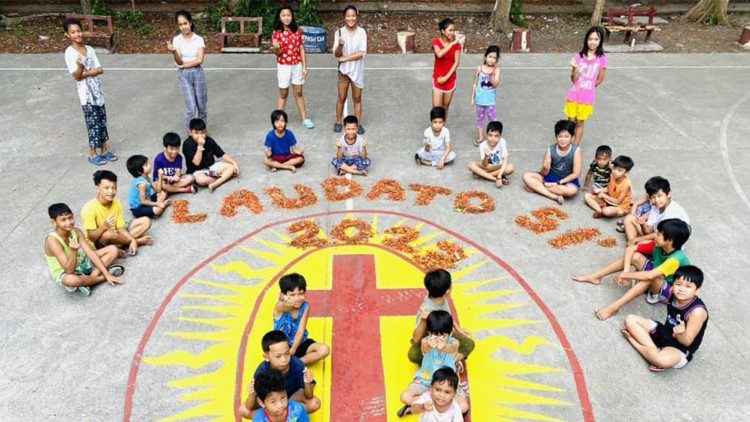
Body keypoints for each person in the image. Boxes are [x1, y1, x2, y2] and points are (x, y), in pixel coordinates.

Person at [572, 218, 691, 320]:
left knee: (649, 277)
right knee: (635, 257)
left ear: (670, 241)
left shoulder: (675, 259)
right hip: (657, 275)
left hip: (670, 292)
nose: (655, 235)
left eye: (659, 233)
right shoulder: (659, 246)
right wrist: (626, 271)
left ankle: (615, 307)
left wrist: (625, 276)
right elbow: (630, 249)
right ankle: (596, 276)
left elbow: (650, 276)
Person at [622, 265, 708, 372]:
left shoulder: (697, 312)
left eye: (688, 286)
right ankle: (653, 351)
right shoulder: (673, 294)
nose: (681, 289)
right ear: (673, 286)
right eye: (678, 284)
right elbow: (654, 279)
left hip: (680, 348)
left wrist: (680, 333)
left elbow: (686, 342)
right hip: (666, 333)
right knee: (630, 319)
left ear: (697, 291)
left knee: (661, 360)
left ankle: (636, 344)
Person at [63, 17, 118, 166]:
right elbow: (76, 76)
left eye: (79, 31)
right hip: (86, 96)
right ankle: (93, 153)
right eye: (73, 32)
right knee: (92, 123)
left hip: (97, 92)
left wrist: (84, 72)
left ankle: (104, 150)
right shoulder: (69, 53)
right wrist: (82, 69)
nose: (77, 34)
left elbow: (100, 69)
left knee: (102, 121)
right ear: (68, 35)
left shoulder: (90, 49)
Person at [398, 310, 469, 417]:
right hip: (425, 380)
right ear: (429, 332)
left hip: (447, 382)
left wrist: (444, 347)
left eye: (443, 335)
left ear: (450, 333)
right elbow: (425, 349)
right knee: (405, 397)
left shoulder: (454, 342)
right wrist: (431, 345)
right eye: (434, 334)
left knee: (464, 407)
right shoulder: (425, 341)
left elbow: (452, 348)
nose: (438, 337)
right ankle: (436, 406)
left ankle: (424, 405)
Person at [44, 203, 124, 297]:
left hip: (82, 262)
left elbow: (90, 253)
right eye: (63, 220)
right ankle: (100, 278)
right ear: (54, 222)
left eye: (70, 218)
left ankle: (87, 281)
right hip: (65, 272)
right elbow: (69, 270)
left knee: (113, 250)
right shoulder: (52, 240)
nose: (69, 222)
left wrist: (106, 273)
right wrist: (74, 251)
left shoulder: (76, 231)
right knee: (71, 280)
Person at [239, 330, 320, 417]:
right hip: (273, 401)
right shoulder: (262, 372)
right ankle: (281, 416)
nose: (284, 360)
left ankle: (280, 416)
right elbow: (249, 406)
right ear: (266, 357)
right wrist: (253, 393)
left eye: (287, 353)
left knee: (314, 403)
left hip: (292, 398)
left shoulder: (297, 364)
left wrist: (307, 382)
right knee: (243, 410)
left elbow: (309, 397)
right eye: (278, 356)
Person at [409, 269, 474, 367]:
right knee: (413, 355)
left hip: (445, 334)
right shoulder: (426, 309)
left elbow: (448, 314)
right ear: (448, 290)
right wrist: (423, 321)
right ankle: (447, 363)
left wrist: (458, 329)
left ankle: (446, 362)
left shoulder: (441, 298)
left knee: (469, 343)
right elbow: (416, 339)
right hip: (430, 337)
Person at [81, 170, 152, 255]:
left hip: (116, 234)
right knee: (109, 235)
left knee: (146, 221)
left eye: (114, 188)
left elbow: (120, 227)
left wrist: (131, 239)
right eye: (106, 188)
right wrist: (104, 226)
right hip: (100, 241)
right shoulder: (89, 208)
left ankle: (120, 245)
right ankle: (135, 242)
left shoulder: (116, 203)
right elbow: (92, 238)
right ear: (97, 189)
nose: (111, 191)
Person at [273, 273, 330, 365]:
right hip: (283, 345)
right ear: (284, 295)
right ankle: (289, 363)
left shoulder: (305, 306)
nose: (297, 298)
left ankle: (296, 364)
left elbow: (301, 330)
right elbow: (286, 307)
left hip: (299, 342)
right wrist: (285, 299)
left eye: (301, 293)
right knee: (276, 358)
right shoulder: (280, 306)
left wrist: (293, 349)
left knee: (324, 350)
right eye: (292, 295)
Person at [271, 6, 314, 129]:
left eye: (288, 15)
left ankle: (305, 118)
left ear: (292, 16)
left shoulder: (298, 31)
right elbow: (278, 53)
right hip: (283, 66)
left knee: (299, 93)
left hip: (297, 65)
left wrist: (305, 67)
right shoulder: (276, 33)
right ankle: (278, 120)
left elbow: (301, 49)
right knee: (283, 93)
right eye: (283, 15)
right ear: (279, 17)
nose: (286, 18)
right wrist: (276, 47)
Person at [564, 25, 607, 144]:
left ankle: (575, 147)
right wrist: (574, 68)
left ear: (600, 41)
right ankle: (567, 144)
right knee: (571, 121)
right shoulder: (579, 57)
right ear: (586, 40)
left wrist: (589, 88)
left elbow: (600, 79)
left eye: (596, 39)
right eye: (590, 39)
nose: (592, 42)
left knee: (580, 122)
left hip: (587, 96)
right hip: (574, 94)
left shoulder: (602, 59)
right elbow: (573, 79)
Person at [522, 119, 582, 205]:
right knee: (527, 176)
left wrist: (558, 183)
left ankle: (537, 188)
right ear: (556, 137)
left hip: (567, 180)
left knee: (571, 191)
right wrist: (545, 168)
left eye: (566, 137)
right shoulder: (550, 150)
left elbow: (576, 174)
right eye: (560, 136)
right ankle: (554, 196)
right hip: (550, 177)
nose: (563, 139)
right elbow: (544, 173)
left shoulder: (576, 150)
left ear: (572, 138)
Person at [619, 176, 691, 246]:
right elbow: (649, 231)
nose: (656, 200)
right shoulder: (655, 207)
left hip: (669, 242)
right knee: (629, 218)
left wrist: (637, 240)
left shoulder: (672, 212)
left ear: (668, 195)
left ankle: (635, 245)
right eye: (653, 197)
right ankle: (634, 245)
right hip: (658, 234)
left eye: (659, 196)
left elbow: (660, 235)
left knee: (638, 243)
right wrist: (643, 224)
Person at [167, 10, 207, 131]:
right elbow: (178, 61)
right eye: (180, 24)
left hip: (198, 73)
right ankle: (191, 133)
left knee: (201, 106)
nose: (183, 26)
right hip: (184, 76)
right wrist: (174, 51)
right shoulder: (177, 40)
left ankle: (202, 131)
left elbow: (199, 60)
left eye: (185, 23)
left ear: (190, 22)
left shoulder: (198, 39)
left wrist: (184, 65)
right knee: (191, 108)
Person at [333, 5, 367, 134]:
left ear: (356, 16)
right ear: (344, 17)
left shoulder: (362, 32)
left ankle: (358, 123)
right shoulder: (339, 32)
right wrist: (340, 46)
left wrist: (345, 58)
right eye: (348, 16)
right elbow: (336, 55)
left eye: (353, 16)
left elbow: (361, 53)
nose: (350, 18)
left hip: (357, 70)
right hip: (343, 71)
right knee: (341, 97)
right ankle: (338, 121)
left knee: (357, 98)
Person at [183, 118, 240, 192]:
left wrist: (235, 163)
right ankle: (223, 176)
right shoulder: (187, 144)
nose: (200, 136)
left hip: (211, 167)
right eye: (196, 133)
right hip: (197, 171)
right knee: (202, 180)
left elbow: (222, 154)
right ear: (190, 133)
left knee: (231, 167)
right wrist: (200, 146)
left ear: (206, 132)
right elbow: (196, 163)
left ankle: (214, 184)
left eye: (202, 133)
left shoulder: (209, 140)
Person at [468, 120, 514, 188]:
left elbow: (505, 160)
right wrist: (486, 156)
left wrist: (499, 175)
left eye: (496, 136)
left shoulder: (502, 142)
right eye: (490, 135)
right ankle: (494, 179)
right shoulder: (482, 145)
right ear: (486, 135)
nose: (493, 138)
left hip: (499, 166)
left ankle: (483, 176)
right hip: (487, 167)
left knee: (510, 167)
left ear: (500, 136)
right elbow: (484, 165)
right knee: (471, 165)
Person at [470, 45, 501, 146]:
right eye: (490, 57)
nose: (491, 60)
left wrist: (492, 76)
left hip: (490, 101)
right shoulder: (479, 69)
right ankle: (480, 137)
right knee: (480, 119)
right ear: (486, 56)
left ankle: (494, 137)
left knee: (493, 119)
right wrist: (472, 98)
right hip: (479, 100)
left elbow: (495, 84)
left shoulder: (497, 70)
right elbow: (475, 83)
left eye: (494, 58)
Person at [431, 18, 462, 117]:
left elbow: (456, 63)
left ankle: (443, 129)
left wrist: (446, 78)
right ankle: (435, 130)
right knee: (436, 109)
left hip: (450, 80)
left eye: (453, 30)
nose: (452, 33)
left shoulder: (456, 45)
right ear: (442, 31)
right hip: (438, 79)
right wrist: (451, 44)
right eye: (450, 30)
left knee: (445, 107)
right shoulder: (436, 42)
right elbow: (439, 54)